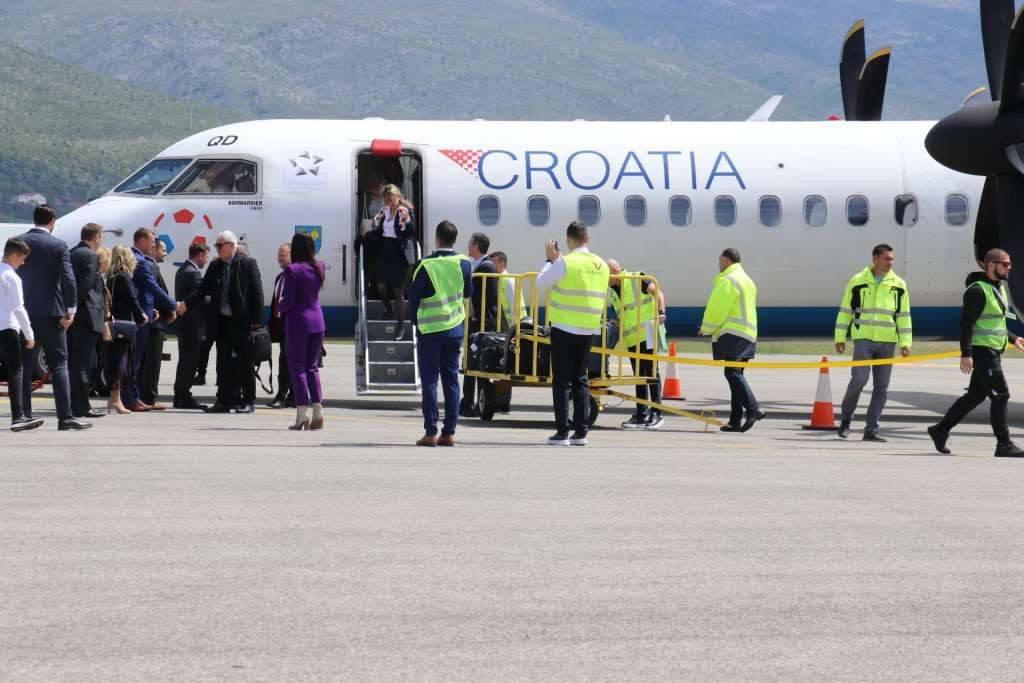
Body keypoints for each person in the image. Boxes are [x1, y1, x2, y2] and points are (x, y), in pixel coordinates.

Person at [928, 249, 1024, 457]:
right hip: (982, 351)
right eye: (1005, 264)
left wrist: (1013, 338)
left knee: (975, 396)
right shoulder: (977, 291)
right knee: (1001, 395)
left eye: (1010, 264)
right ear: (991, 265)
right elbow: (966, 324)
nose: (1009, 268)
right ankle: (1004, 444)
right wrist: (966, 354)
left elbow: (995, 321)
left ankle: (940, 430)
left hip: (993, 349)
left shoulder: (998, 288)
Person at [15, 206, 91, 430]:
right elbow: (68, 279)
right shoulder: (58, 245)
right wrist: (71, 310)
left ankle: (24, 415)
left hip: (23, 312)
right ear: (52, 221)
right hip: (52, 312)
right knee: (59, 364)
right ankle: (65, 417)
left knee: (24, 366)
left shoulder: (17, 242)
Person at [536, 221, 610, 446]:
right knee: (581, 379)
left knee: (561, 380)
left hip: (565, 327)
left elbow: (541, 283)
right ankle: (581, 431)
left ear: (568, 241)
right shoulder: (601, 265)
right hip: (589, 328)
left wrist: (551, 259)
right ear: (586, 239)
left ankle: (562, 432)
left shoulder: (565, 262)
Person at [178, 230, 264, 414]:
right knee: (222, 362)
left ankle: (248, 400)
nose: (217, 249)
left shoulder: (247, 264)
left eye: (220, 245)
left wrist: (256, 321)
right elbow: (202, 290)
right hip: (221, 322)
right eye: (216, 245)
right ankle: (223, 401)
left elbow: (257, 293)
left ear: (232, 246)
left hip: (241, 322)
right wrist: (186, 304)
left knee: (244, 362)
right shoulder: (216, 266)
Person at [834, 243, 912, 442]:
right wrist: (840, 337)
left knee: (881, 387)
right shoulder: (857, 281)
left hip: (887, 342)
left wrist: (906, 342)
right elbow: (845, 311)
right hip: (863, 339)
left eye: (892, 259)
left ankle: (871, 429)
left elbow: (903, 316)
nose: (890, 263)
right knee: (859, 381)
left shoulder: (898, 284)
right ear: (875, 259)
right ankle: (846, 420)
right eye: (886, 259)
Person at [407, 220, 472, 446]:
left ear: (437, 238)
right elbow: (468, 292)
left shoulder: (425, 265)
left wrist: (415, 322)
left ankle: (430, 432)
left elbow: (413, 299)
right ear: (455, 240)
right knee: (452, 380)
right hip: (455, 329)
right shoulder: (464, 263)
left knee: (430, 382)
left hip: (430, 330)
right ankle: (450, 432)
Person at [699, 248, 765, 433]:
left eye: (720, 260)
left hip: (734, 334)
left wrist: (706, 329)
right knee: (736, 375)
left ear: (726, 260)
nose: (719, 264)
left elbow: (718, 309)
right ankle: (735, 420)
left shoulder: (728, 280)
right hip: (748, 334)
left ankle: (753, 409)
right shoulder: (747, 280)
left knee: (732, 374)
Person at [607, 259, 666, 430]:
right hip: (632, 338)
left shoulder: (636, 279)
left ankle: (657, 413)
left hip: (647, 332)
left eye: (609, 275)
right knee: (639, 376)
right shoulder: (612, 291)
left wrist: (661, 313)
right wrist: (618, 321)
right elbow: (627, 311)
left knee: (651, 373)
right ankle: (642, 413)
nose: (607, 279)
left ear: (616, 272)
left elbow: (659, 294)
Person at [122, 228, 176, 411]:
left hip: (141, 312)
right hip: (141, 318)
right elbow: (153, 288)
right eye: (152, 242)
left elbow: (136, 290)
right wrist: (174, 305)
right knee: (135, 361)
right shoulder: (141, 262)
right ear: (142, 241)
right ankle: (130, 398)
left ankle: (131, 396)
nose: (153, 245)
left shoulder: (131, 258)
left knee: (134, 360)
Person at [278, 233, 326, 430]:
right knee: (312, 367)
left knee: (297, 368)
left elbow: (288, 301)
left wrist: (279, 307)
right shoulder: (319, 266)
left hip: (298, 323)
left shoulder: (292, 270)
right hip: (318, 321)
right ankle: (318, 410)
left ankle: (301, 414)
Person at [1, 239, 43, 431]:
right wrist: (29, 334)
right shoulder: (12, 277)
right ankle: (18, 416)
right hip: (8, 327)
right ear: (13, 255)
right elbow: (18, 308)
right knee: (16, 371)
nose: (23, 263)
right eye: (22, 258)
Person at [68, 223, 106, 419]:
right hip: (87, 316)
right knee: (83, 364)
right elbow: (85, 286)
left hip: (74, 317)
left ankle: (75, 404)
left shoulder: (71, 252)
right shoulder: (90, 256)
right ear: (97, 237)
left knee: (75, 362)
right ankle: (82, 406)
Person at [105, 245, 148, 415]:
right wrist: (142, 317)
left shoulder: (111, 277)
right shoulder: (124, 277)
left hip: (113, 325)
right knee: (122, 363)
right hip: (124, 326)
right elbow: (132, 301)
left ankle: (114, 398)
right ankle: (116, 399)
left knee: (115, 361)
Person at [460, 232, 498, 417]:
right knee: (471, 361)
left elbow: (476, 295)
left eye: (469, 243)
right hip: (475, 321)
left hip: (482, 322)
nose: (467, 246)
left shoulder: (485, 266)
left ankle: (482, 402)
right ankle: (467, 401)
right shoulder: (480, 264)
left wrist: (473, 314)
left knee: (479, 363)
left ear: (476, 246)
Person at [373, 184, 415, 340]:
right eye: (387, 200)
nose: (390, 203)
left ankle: (400, 326)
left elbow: (410, 231)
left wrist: (406, 220)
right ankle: (388, 309)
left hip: (399, 251)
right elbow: (379, 227)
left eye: (392, 200)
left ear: (398, 197)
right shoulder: (384, 211)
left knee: (398, 290)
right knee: (381, 286)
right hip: (385, 249)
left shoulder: (405, 211)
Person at [173, 242, 210, 410]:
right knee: (190, 361)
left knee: (185, 360)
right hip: (193, 325)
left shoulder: (182, 270)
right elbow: (202, 299)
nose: (206, 261)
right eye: (206, 257)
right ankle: (183, 395)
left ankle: (180, 395)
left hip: (184, 324)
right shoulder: (194, 274)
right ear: (200, 255)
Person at [139, 238, 174, 409]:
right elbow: (154, 293)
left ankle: (145, 396)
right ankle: (149, 398)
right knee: (152, 363)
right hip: (155, 324)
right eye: (162, 250)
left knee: (148, 363)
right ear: (153, 250)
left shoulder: (152, 266)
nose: (165, 253)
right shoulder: (150, 266)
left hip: (155, 322)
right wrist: (172, 309)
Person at [267, 242, 294, 409]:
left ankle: (284, 395)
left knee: (287, 361)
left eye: (283, 254)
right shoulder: (280, 277)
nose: (280, 257)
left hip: (292, 326)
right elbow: (274, 304)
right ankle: (289, 395)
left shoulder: (294, 276)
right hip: (281, 326)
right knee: (285, 360)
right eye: (279, 254)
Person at [490, 251, 527, 326]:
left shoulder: (509, 281)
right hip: (508, 325)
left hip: (514, 326)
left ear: (502, 265)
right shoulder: (499, 280)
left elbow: (515, 307)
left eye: (493, 264)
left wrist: (516, 330)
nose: (491, 267)